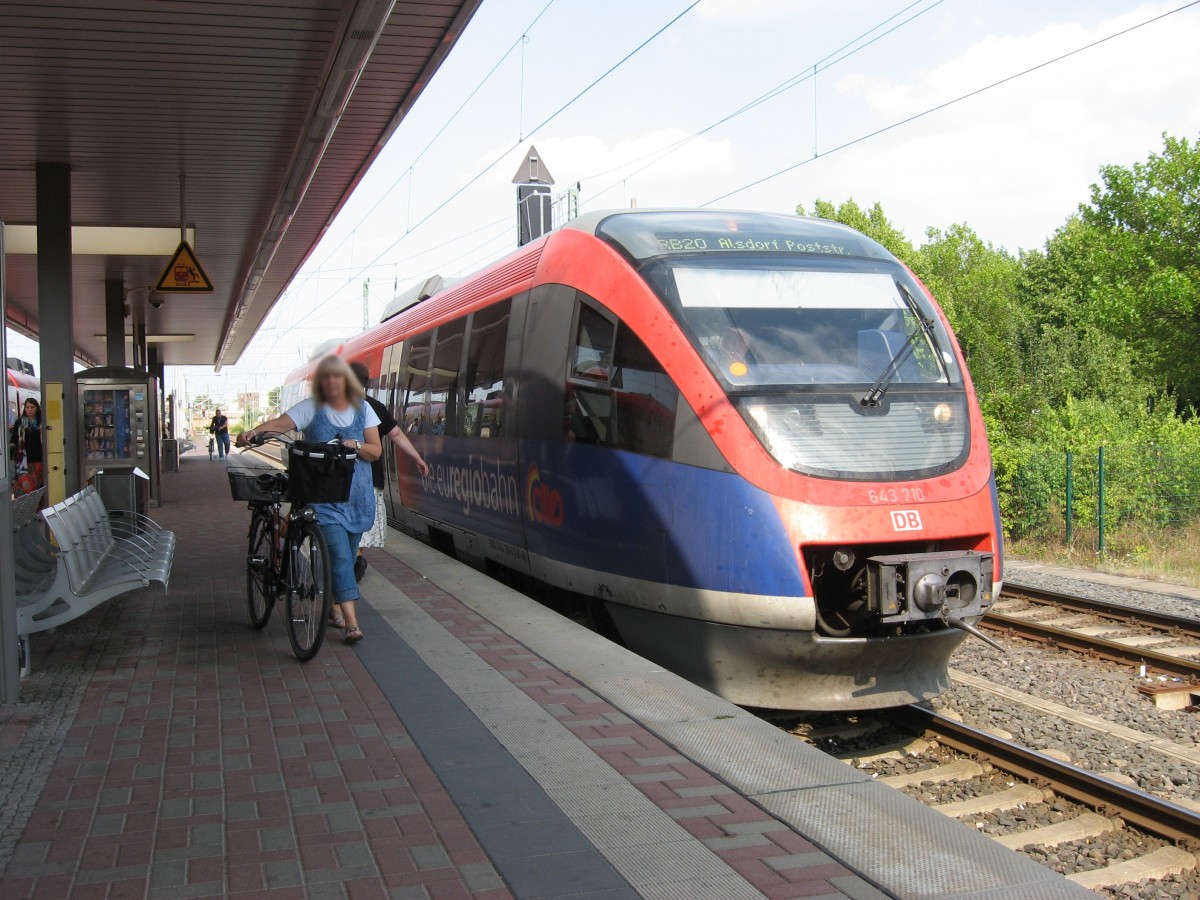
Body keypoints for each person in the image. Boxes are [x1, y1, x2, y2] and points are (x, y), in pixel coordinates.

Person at [238, 356, 382, 642]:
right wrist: (254, 432)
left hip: (357, 498)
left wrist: (356, 445)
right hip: (323, 498)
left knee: (345, 558)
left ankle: (333, 607)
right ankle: (352, 623)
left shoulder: (363, 409)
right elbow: (280, 424)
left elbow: (375, 451)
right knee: (340, 556)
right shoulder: (311, 407)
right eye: (326, 377)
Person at [349, 362, 431, 581]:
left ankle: (349, 569)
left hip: (341, 479)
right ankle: (354, 565)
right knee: (360, 533)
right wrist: (417, 457)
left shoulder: (335, 405)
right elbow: (396, 434)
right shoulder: (374, 406)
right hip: (369, 479)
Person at [9, 398, 43, 493]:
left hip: (39, 460)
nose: (29, 409)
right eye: (27, 407)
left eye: (32, 407)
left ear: (37, 408)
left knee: (38, 489)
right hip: (22, 462)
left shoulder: (42, 423)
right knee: (25, 489)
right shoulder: (19, 423)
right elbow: (13, 440)